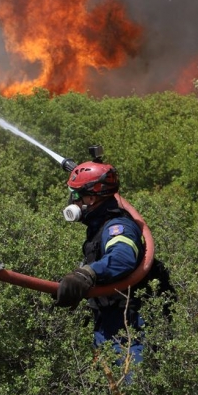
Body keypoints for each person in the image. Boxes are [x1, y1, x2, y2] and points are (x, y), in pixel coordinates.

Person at [54, 159, 147, 371]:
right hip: (107, 326)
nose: (72, 201)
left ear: (91, 197)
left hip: (127, 331)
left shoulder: (117, 226)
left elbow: (123, 257)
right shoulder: (98, 227)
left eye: (76, 195)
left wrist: (88, 274)